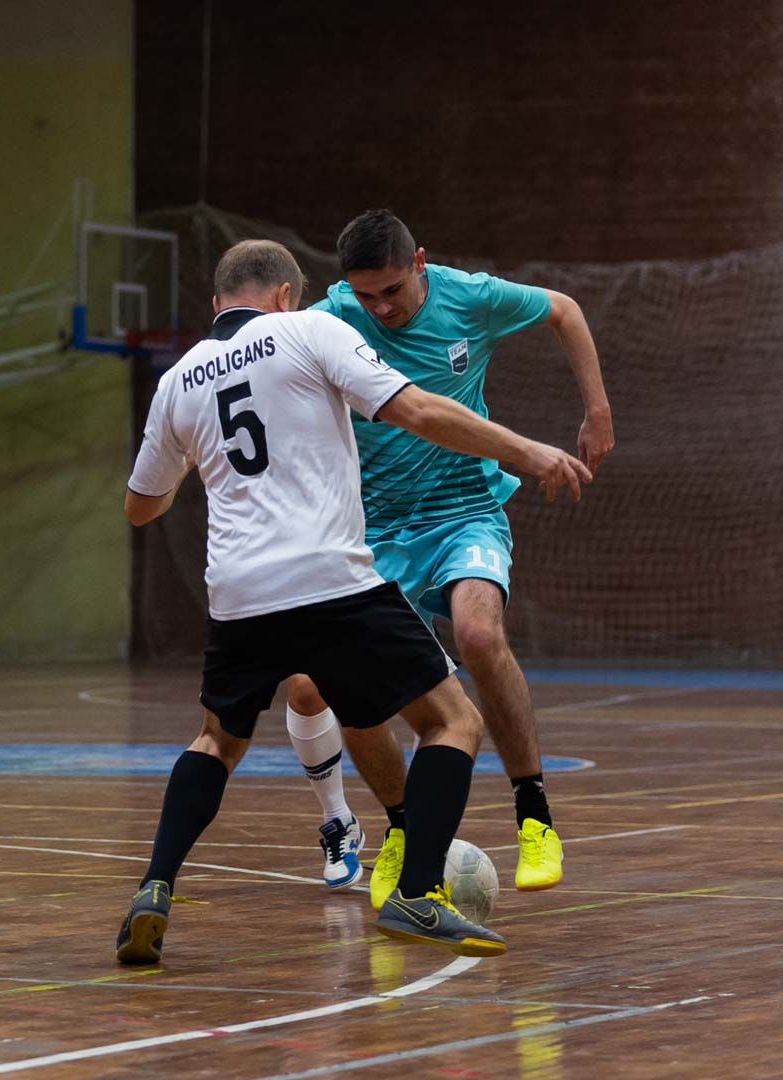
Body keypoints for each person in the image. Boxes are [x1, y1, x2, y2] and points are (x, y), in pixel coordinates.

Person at [115, 240, 590, 965]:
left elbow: (140, 507)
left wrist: (190, 461)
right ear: (285, 295)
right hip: (327, 580)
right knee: (452, 721)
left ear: (218, 304)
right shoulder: (311, 331)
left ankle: (153, 887)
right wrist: (524, 451)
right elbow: (419, 409)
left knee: (215, 740)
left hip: (238, 595)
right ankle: (418, 894)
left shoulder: (179, 379)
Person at [283, 210, 614, 903]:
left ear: (420, 263)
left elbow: (564, 310)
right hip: (373, 531)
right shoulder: (330, 318)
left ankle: (534, 815)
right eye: (365, 295)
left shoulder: (471, 296)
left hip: (463, 509)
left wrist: (597, 410)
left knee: (478, 634)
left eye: (392, 291)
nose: (380, 308)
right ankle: (402, 827)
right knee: (345, 682)